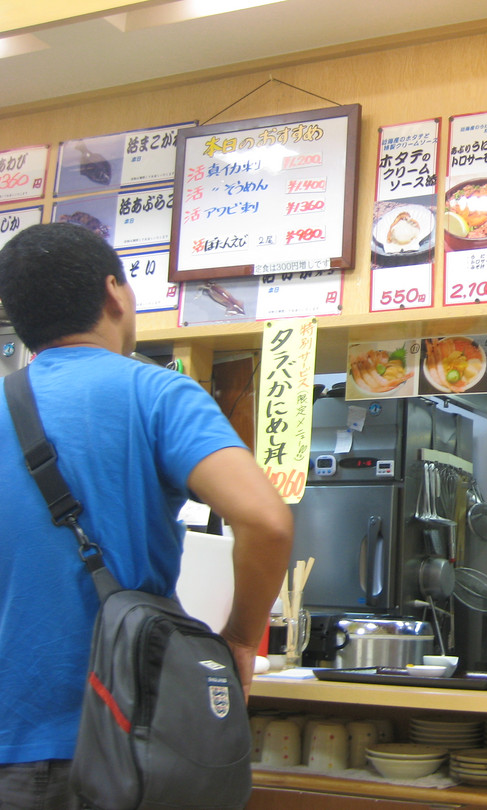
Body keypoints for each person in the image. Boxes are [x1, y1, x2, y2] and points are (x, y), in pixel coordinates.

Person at [0, 223, 293, 807]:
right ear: (115, 293)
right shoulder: (158, 392)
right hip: (129, 733)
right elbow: (266, 520)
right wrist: (238, 637)